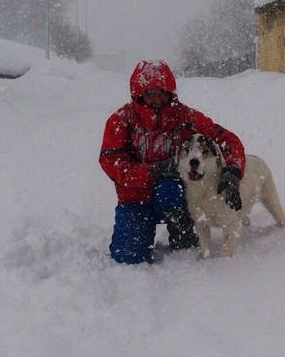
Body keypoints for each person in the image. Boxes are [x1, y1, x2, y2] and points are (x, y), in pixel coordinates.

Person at [99, 59, 246, 264]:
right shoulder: (121, 120)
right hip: (134, 199)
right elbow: (110, 162)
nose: (156, 98)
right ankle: (141, 231)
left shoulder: (185, 116)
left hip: (173, 195)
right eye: (149, 93)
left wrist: (232, 171)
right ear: (138, 94)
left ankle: (183, 235)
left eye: (161, 92)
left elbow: (228, 140)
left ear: (170, 92)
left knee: (171, 191)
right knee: (128, 258)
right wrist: (152, 171)